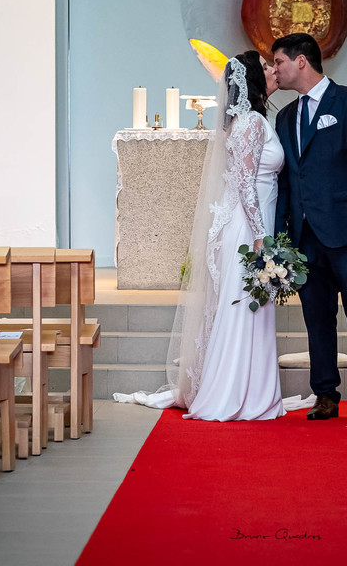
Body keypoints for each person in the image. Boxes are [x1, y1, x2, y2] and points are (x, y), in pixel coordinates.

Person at [114, 51, 308, 420]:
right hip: (249, 228)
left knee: (247, 307)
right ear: (252, 78)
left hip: (249, 223)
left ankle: (247, 389)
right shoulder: (251, 122)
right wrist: (262, 237)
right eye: (265, 67)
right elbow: (246, 185)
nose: (272, 71)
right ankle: (235, 392)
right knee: (244, 308)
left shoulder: (248, 121)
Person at [272, 33, 347, 422]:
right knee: (316, 318)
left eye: (279, 62)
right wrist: (281, 237)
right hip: (305, 237)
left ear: (301, 61)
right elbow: (286, 180)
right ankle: (325, 393)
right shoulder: (285, 117)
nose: (275, 70)